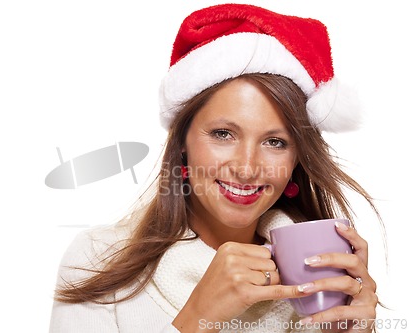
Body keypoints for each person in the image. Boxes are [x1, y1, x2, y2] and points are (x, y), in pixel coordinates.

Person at [49, 4, 381, 333]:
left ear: (297, 160)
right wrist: (197, 317)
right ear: (182, 142)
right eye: (223, 134)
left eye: (275, 142)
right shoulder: (98, 260)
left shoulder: (321, 278)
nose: (247, 168)